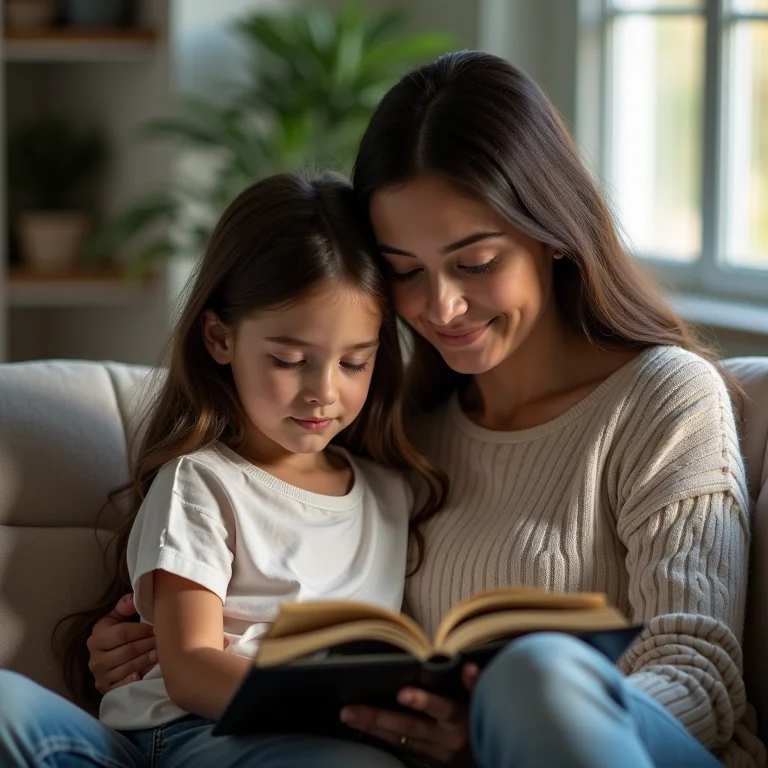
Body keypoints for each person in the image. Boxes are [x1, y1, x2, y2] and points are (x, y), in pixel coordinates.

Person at [2, 51, 766, 768]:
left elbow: (698, 675)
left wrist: (505, 724)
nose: (443, 306)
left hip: (627, 745)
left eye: (475, 262)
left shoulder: (663, 397)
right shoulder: (403, 435)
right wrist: (137, 645)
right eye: (405, 272)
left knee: (535, 670)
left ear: (553, 235)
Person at [0, 171, 448, 768]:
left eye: (353, 362)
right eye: (290, 360)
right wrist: (338, 713)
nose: (323, 391)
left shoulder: (393, 493)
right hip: (192, 732)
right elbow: (190, 673)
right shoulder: (202, 482)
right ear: (219, 337)